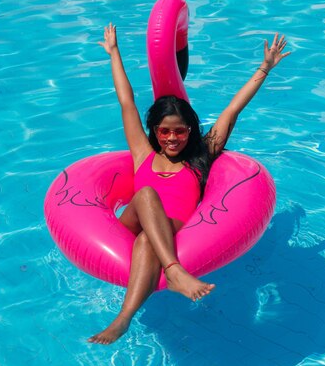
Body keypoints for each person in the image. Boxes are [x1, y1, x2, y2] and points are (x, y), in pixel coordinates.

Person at [88, 23, 290, 344]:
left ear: (190, 130)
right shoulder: (142, 154)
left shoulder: (200, 157)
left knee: (146, 242)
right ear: (155, 130)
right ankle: (174, 270)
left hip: (165, 231)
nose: (172, 138)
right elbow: (126, 102)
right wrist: (114, 53)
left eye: (180, 131)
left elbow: (232, 110)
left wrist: (264, 68)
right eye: (165, 131)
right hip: (131, 221)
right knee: (146, 193)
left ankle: (123, 318)